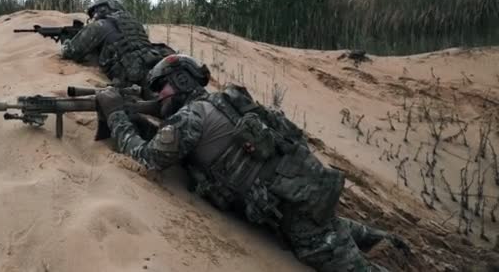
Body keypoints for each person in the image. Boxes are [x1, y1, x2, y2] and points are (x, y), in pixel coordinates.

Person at [95, 54, 409, 272]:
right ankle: (390, 241)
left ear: (179, 80)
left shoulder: (192, 116)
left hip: (299, 218)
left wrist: (116, 116)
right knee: (341, 229)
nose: (157, 95)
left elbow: (146, 159)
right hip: (306, 198)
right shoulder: (219, 103)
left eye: (159, 86)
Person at [60, 0, 174, 90]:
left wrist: (66, 41)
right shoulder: (136, 25)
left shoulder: (100, 25)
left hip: (131, 78)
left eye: (94, 13)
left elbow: (71, 52)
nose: (93, 16)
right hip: (154, 65)